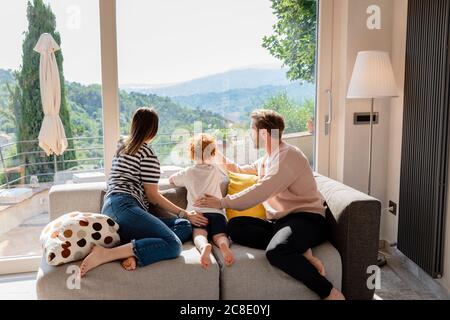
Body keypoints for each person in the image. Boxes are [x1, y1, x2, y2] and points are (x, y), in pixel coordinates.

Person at [195, 109, 345, 300]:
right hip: (280, 223)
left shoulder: (287, 156)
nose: (251, 134)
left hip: (307, 219)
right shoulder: (268, 158)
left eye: (253, 129)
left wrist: (222, 201)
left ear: (264, 133)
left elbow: (262, 190)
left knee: (276, 251)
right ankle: (300, 250)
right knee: (234, 226)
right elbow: (241, 170)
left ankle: (330, 292)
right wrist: (217, 156)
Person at [80, 107, 208, 277]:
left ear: (134, 125)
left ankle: (132, 251)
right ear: (153, 130)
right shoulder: (148, 154)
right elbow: (153, 196)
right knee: (173, 245)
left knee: (183, 225)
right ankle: (106, 254)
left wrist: (184, 218)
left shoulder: (121, 144)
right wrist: (185, 212)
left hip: (112, 208)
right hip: (125, 206)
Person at [169, 133, 233, 269]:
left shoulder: (188, 172)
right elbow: (225, 179)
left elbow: (171, 180)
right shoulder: (216, 170)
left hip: (197, 215)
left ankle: (204, 246)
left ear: (192, 154)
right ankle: (222, 244)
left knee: (199, 234)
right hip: (217, 213)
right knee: (220, 234)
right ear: (213, 153)